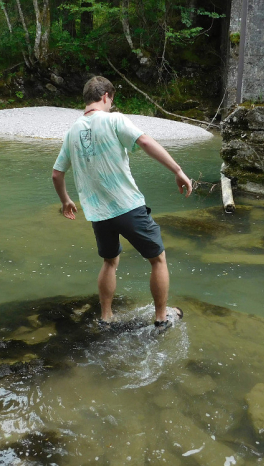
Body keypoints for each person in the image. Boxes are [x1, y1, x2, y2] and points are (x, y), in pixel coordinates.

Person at [51, 76, 192, 332]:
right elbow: (146, 142)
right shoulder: (114, 119)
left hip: (98, 213)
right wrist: (178, 170)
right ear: (105, 96)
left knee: (110, 261)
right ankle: (161, 317)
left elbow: (56, 174)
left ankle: (106, 316)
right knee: (158, 259)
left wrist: (66, 201)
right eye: (111, 99)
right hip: (127, 206)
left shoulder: (72, 131)